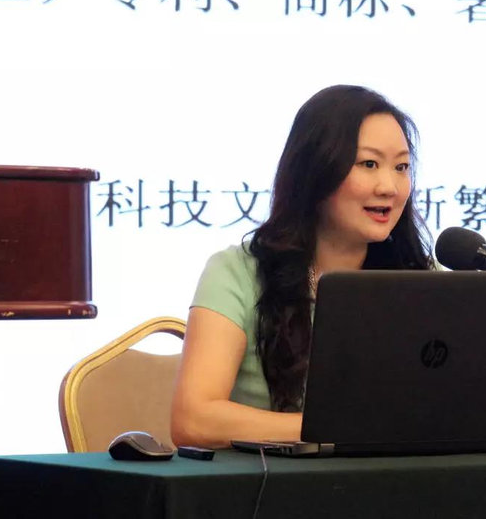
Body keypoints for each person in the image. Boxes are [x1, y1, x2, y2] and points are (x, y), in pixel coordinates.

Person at [170, 84, 434, 449]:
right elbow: (194, 421)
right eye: (369, 164)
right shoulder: (237, 272)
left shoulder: (423, 277)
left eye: (401, 167)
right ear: (316, 169)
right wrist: (341, 428)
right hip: (272, 482)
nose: (389, 186)